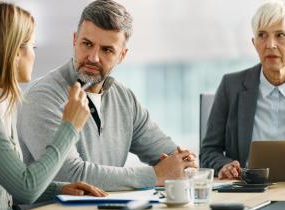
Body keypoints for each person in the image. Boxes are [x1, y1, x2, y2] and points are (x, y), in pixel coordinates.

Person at [17, 0, 197, 191]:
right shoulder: (42, 97)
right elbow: (69, 175)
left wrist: (183, 163)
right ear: (75, 40)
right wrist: (155, 175)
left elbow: (169, 154)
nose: (93, 57)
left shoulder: (125, 99)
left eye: (107, 50)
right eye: (87, 44)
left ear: (122, 55)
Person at [0, 2, 107, 210]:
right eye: (32, 46)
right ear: (15, 51)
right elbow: (25, 188)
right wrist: (70, 126)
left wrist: (59, 190)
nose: (34, 54)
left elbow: (11, 184)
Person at [200, 0, 285, 180]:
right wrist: (224, 166)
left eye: (280, 35)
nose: (270, 44)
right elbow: (208, 151)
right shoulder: (231, 86)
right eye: (262, 35)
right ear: (254, 43)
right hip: (246, 189)